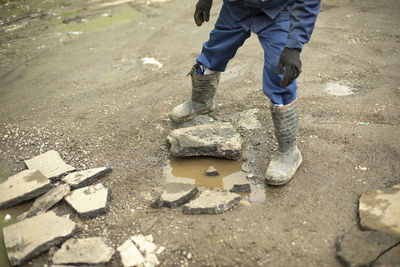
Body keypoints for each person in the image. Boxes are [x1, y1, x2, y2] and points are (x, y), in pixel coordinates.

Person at [170, 0, 320, 185]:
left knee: (279, 73)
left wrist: (294, 45)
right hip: (236, 7)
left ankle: (288, 152)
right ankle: (201, 102)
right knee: (211, 55)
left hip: (278, 11)